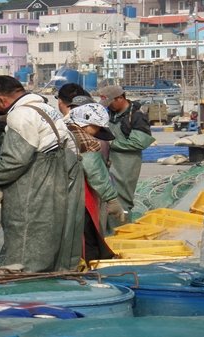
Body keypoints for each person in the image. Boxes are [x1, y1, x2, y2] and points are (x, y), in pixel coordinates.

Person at [0, 75, 80, 272]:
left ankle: (20, 290)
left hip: (33, 190)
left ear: (0, 99)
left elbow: (15, 160)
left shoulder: (20, 114)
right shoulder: (47, 109)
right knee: (48, 240)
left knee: (24, 239)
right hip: (57, 182)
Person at [66, 102, 125, 262]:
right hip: (75, 195)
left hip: (60, 194)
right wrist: (111, 198)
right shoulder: (84, 140)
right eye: (96, 127)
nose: (98, 132)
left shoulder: (63, 131)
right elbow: (94, 170)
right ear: (84, 123)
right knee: (85, 234)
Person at [99, 85, 155, 219]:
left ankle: (121, 230)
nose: (108, 106)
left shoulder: (137, 116)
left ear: (119, 98)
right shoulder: (111, 113)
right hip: (110, 163)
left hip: (126, 165)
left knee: (122, 200)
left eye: (110, 102)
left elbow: (139, 143)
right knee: (108, 198)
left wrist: (111, 143)